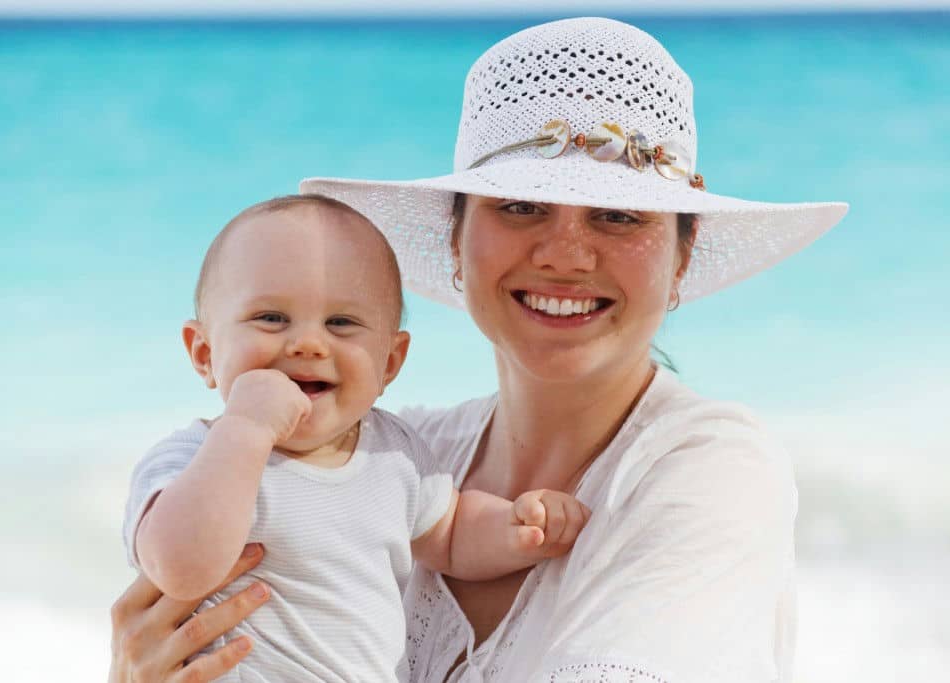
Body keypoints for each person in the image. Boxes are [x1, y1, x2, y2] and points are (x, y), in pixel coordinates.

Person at [109, 17, 848, 683]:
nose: (565, 255)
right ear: (457, 239)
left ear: (681, 259)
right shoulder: (388, 450)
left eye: (620, 215)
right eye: (520, 205)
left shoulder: (708, 468)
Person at [121, 194, 590, 682]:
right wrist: (246, 429)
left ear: (390, 362)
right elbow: (180, 569)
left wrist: (516, 528)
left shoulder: (393, 454)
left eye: (341, 323)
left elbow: (449, 533)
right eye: (271, 318)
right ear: (203, 353)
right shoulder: (191, 460)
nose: (307, 343)